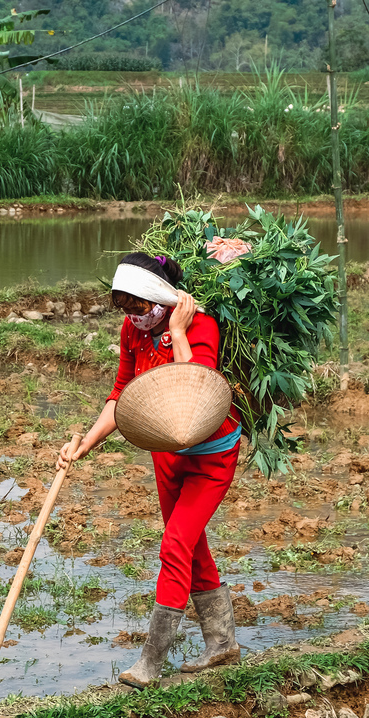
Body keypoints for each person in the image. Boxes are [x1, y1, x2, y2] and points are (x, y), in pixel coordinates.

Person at [57, 252, 241, 688]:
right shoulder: (132, 333)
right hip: (166, 454)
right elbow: (120, 392)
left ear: (159, 297)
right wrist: (84, 443)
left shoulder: (200, 326)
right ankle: (222, 645)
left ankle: (150, 664)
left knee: (175, 544)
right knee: (190, 545)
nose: (132, 317)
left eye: (138, 307)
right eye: (124, 308)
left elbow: (193, 391)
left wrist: (177, 330)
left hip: (210, 455)